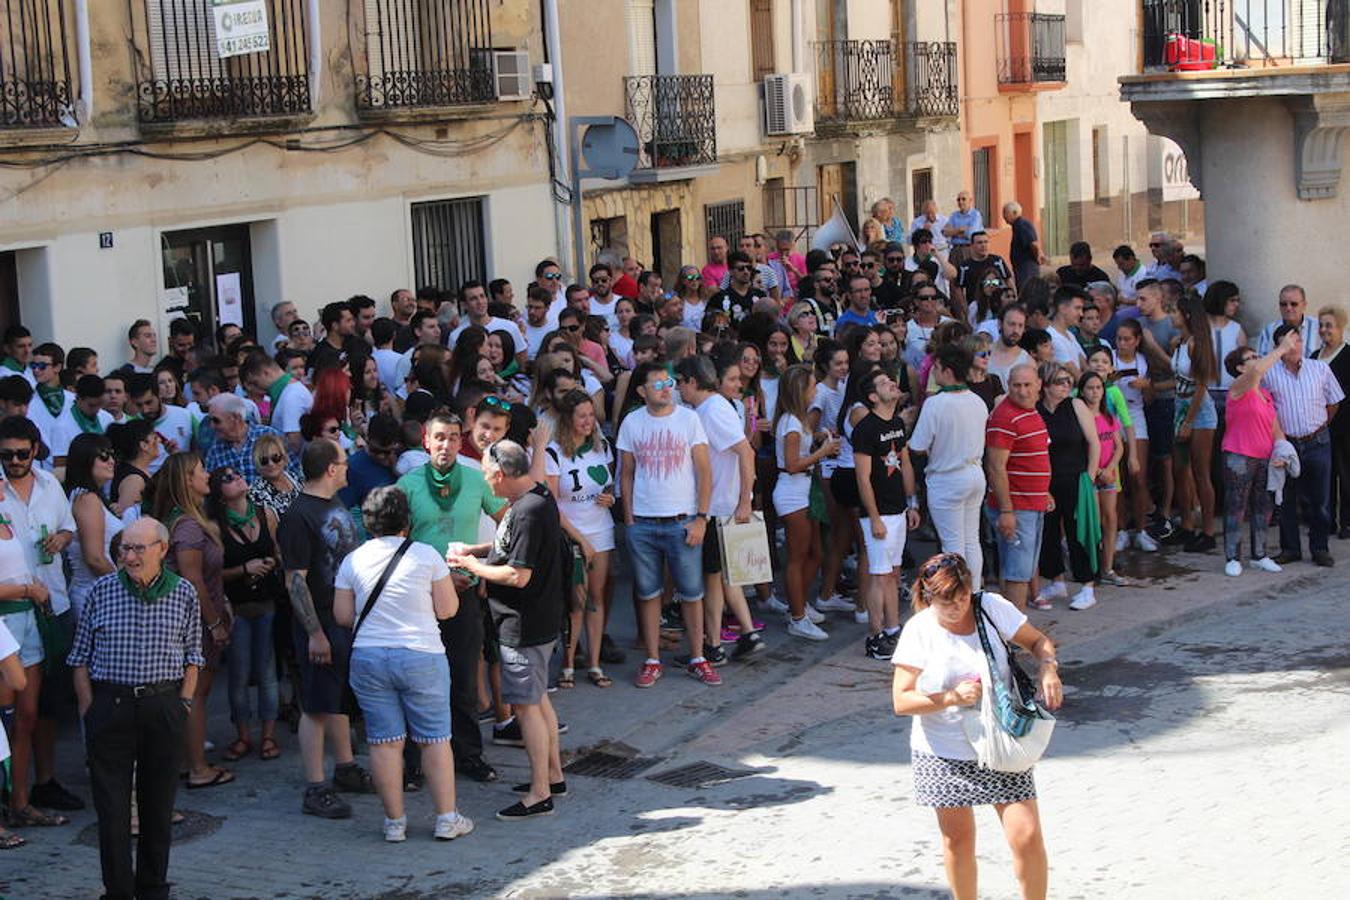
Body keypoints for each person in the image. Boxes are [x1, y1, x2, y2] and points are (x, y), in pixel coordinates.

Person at [891, 552, 1062, 900]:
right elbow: (902, 700)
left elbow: (1038, 641)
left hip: (1000, 742)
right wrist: (951, 697)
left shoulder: (991, 607)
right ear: (928, 598)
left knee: (1027, 836)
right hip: (942, 751)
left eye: (962, 598)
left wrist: (1048, 666)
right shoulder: (919, 631)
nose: (957, 608)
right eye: (946, 603)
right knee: (958, 841)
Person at [67, 517, 203, 900]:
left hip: (163, 703)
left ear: (162, 549)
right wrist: (89, 709)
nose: (129, 556)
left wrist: (184, 703)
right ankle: (118, 891)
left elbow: (194, 655)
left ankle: (153, 887)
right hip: (111, 703)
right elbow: (79, 657)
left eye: (138, 548)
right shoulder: (102, 591)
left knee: (158, 804)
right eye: (124, 548)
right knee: (112, 810)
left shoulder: (183, 593)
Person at [333, 486, 473, 842]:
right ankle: (446, 818)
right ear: (407, 521)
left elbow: (342, 615)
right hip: (421, 653)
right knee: (435, 739)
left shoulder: (352, 560)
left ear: (368, 523)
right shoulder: (426, 555)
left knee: (384, 742)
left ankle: (394, 823)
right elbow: (447, 610)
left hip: (369, 656)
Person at [448, 440, 566, 821]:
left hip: (524, 624)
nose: (485, 480)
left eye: (486, 473)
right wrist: (476, 550)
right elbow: (510, 546)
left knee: (527, 708)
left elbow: (517, 574)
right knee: (540, 701)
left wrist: (471, 567)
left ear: (500, 474)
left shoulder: (528, 511)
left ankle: (539, 793)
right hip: (539, 620)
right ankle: (553, 775)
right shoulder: (536, 496)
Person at [396, 413, 507, 782]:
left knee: (462, 679)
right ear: (426, 440)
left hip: (465, 594)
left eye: (454, 438)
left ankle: (468, 755)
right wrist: (430, 582)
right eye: (439, 438)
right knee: (417, 682)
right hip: (419, 600)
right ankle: (412, 763)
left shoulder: (477, 479)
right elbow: (396, 545)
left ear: (462, 442)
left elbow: (508, 519)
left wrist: (483, 566)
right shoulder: (408, 484)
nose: (446, 445)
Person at [278, 438, 372, 819]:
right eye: (344, 462)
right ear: (331, 469)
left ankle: (346, 767)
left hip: (341, 618)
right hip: (318, 621)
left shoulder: (331, 504)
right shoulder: (298, 515)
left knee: (336, 699)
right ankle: (315, 786)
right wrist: (315, 633)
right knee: (315, 705)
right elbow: (294, 581)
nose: (348, 468)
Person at [0, 414, 80, 821]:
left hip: (51, 605)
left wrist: (61, 538)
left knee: (43, 708)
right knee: (10, 714)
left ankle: (38, 787)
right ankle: (12, 796)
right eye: (6, 455)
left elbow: (69, 529)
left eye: (21, 454)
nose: (14, 461)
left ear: (35, 450)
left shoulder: (50, 483)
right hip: (10, 613)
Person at [616, 362, 715, 687]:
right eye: (656, 383)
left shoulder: (689, 419)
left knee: (691, 592)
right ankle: (652, 658)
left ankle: (698, 656)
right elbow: (626, 473)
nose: (665, 387)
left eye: (668, 381)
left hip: (682, 520)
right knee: (648, 593)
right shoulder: (632, 422)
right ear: (642, 391)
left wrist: (701, 518)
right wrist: (629, 519)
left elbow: (704, 470)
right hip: (643, 522)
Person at [150, 453, 234, 791]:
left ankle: (189, 760)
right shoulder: (186, 524)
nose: (208, 474)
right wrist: (215, 623)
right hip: (194, 622)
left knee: (193, 693)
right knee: (196, 694)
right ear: (187, 479)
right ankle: (198, 767)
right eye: (201, 471)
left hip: (194, 618)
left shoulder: (187, 519)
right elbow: (193, 579)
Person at [675, 355, 764, 661]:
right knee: (720, 576)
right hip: (718, 504)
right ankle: (733, 637)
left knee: (714, 577)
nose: (677, 390)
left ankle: (716, 643)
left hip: (720, 506)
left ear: (691, 382)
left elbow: (745, 451)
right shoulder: (707, 408)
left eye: (679, 383)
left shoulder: (712, 409)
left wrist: (743, 500)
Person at [209, 464, 285, 764]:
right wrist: (244, 569)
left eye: (236, 474)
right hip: (236, 608)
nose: (236, 478)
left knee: (267, 673)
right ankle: (243, 735)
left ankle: (268, 735)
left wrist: (272, 562)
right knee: (239, 675)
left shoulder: (264, 514)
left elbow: (279, 552)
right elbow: (214, 574)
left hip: (267, 603)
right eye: (226, 478)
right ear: (219, 493)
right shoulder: (215, 526)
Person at [543, 389, 617, 687]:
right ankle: (569, 663)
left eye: (591, 415)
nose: (589, 422)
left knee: (596, 598)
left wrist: (609, 498)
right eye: (582, 416)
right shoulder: (554, 453)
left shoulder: (602, 448)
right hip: (571, 534)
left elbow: (609, 486)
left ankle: (595, 663)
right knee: (576, 600)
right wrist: (578, 539)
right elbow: (550, 502)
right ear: (568, 419)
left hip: (601, 529)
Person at [1261, 323, 1344, 567]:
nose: (1294, 347)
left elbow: (1334, 401)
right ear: (1278, 347)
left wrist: (1320, 425)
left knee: (1320, 500)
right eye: (1287, 342)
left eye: (1297, 341)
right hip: (1286, 444)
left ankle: (1320, 548)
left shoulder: (1320, 369)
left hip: (1317, 441)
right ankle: (1290, 549)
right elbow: (1263, 407)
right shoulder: (1269, 374)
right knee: (1286, 499)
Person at [850, 366, 918, 659]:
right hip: (878, 514)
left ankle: (893, 629)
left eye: (890, 380)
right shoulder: (865, 430)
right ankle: (875, 636)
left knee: (892, 573)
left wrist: (911, 503)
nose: (891, 383)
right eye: (883, 383)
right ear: (872, 396)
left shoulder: (898, 424)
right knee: (878, 575)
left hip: (898, 509)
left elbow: (905, 463)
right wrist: (874, 517)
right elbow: (862, 478)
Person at [909, 344, 989, 588]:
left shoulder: (936, 404)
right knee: (971, 540)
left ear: (946, 370)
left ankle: (960, 597)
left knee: (953, 545)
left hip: (947, 478)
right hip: (975, 473)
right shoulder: (977, 400)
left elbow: (917, 446)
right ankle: (974, 593)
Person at [772, 364, 840, 642]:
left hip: (803, 490)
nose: (816, 391)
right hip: (792, 493)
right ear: (801, 390)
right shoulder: (790, 423)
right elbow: (791, 465)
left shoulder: (796, 420)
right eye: (812, 386)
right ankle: (797, 616)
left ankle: (798, 604)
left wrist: (819, 439)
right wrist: (822, 452)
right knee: (798, 556)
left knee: (815, 552)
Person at [1033, 362, 1102, 611]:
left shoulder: (1076, 405)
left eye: (1068, 381)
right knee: (1049, 531)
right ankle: (1056, 579)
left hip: (1075, 477)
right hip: (1047, 480)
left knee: (1079, 531)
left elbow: (1094, 443)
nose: (1066, 386)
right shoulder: (1037, 409)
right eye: (1060, 382)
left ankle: (1087, 585)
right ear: (1046, 385)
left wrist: (1090, 476)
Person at [1220, 340, 1292, 576]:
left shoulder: (1265, 393)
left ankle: (1259, 555)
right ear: (1240, 368)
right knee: (1236, 507)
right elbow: (1259, 370)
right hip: (1238, 455)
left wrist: (1281, 451)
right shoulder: (1238, 387)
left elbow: (1275, 428)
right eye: (1251, 357)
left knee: (1263, 507)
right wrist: (1282, 349)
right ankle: (1232, 557)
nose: (1257, 360)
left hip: (1264, 457)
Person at [984, 364, 1051, 611]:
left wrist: (1045, 491)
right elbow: (995, 466)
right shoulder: (1005, 417)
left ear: (1039, 385)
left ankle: (1010, 632)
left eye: (1027, 385)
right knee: (1017, 574)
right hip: (1017, 507)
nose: (1022, 391)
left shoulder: (1031, 413)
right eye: (1016, 386)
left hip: (1032, 504)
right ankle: (1013, 635)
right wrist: (1006, 511)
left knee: (1020, 569)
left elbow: (1035, 456)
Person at [1169, 292, 1220, 552]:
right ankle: (1187, 525)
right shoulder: (1179, 342)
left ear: (1186, 315)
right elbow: (1179, 380)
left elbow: (1201, 385)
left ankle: (1208, 531)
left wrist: (1189, 422)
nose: (1171, 316)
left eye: (1175, 312)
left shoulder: (1195, 344)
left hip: (1198, 411)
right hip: (1181, 404)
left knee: (1201, 471)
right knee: (1180, 468)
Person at [65, 434, 123, 623]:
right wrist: (127, 587)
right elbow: (95, 558)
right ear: (85, 460)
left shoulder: (89, 497)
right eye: (104, 456)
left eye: (112, 455)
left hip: (101, 593)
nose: (111, 461)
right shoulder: (86, 499)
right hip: (95, 595)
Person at [1316, 305, 1350, 538]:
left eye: (1329, 325)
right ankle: (1325, 521)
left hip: (1344, 426)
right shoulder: (1313, 357)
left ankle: (1347, 522)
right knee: (1323, 478)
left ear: (1340, 328)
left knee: (1346, 475)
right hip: (1319, 427)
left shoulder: (1348, 356)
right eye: (1321, 325)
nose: (1324, 330)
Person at [241, 351, 314, 456]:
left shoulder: (291, 396)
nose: (254, 388)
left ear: (265, 373)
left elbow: (294, 442)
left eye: (255, 383)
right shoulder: (288, 392)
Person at [1256, 284, 1323, 357]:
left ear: (1304, 305)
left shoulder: (1318, 328)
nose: (1288, 308)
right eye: (1284, 304)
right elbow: (1260, 360)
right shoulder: (1268, 331)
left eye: (1294, 304)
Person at [249, 431, 303, 516]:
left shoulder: (293, 477)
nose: (271, 464)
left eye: (275, 457)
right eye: (264, 460)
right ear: (257, 463)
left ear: (284, 458)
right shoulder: (256, 493)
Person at [1003, 201, 1045, 288]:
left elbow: (1033, 244)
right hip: (1021, 267)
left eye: (1005, 213)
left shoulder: (1022, 225)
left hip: (1026, 266)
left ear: (1014, 213)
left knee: (1027, 290)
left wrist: (1038, 257)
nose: (1003, 216)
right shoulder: (1017, 225)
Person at [943, 191, 983, 264]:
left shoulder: (975, 215)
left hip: (969, 249)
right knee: (954, 274)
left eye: (963, 199)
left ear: (970, 201)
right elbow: (945, 232)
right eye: (958, 200)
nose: (960, 202)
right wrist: (960, 230)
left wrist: (953, 232)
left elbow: (971, 235)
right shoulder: (954, 215)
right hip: (955, 250)